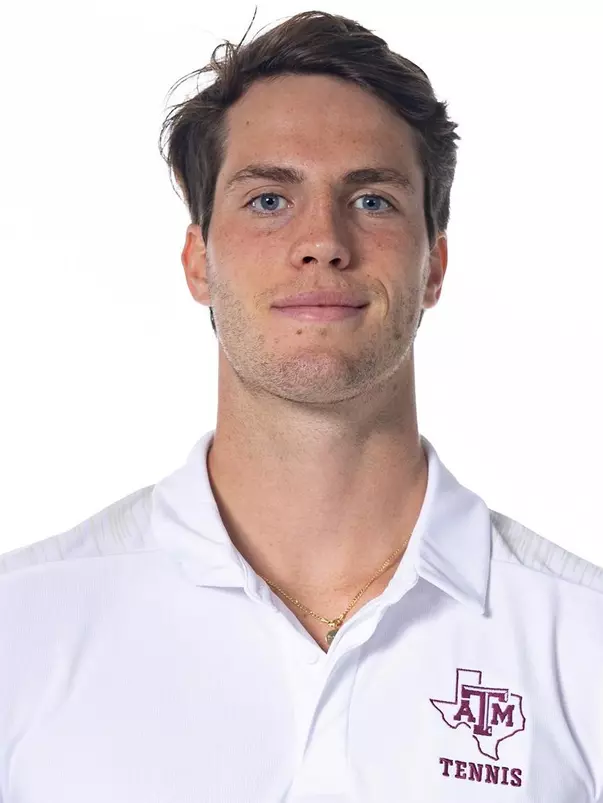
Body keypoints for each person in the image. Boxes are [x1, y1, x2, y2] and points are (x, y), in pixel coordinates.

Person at [1, 9, 602, 802]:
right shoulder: (21, 630)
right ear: (198, 261)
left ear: (432, 266)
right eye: (267, 200)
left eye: (373, 200)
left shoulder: (581, 643)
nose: (322, 240)